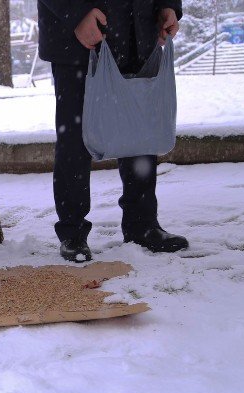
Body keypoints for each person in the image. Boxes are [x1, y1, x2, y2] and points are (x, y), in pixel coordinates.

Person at [37, 0, 189, 262]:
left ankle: (142, 224)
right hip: (76, 38)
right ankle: (72, 232)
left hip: (138, 29)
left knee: (139, 132)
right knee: (76, 136)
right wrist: (76, 14)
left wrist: (168, 5)